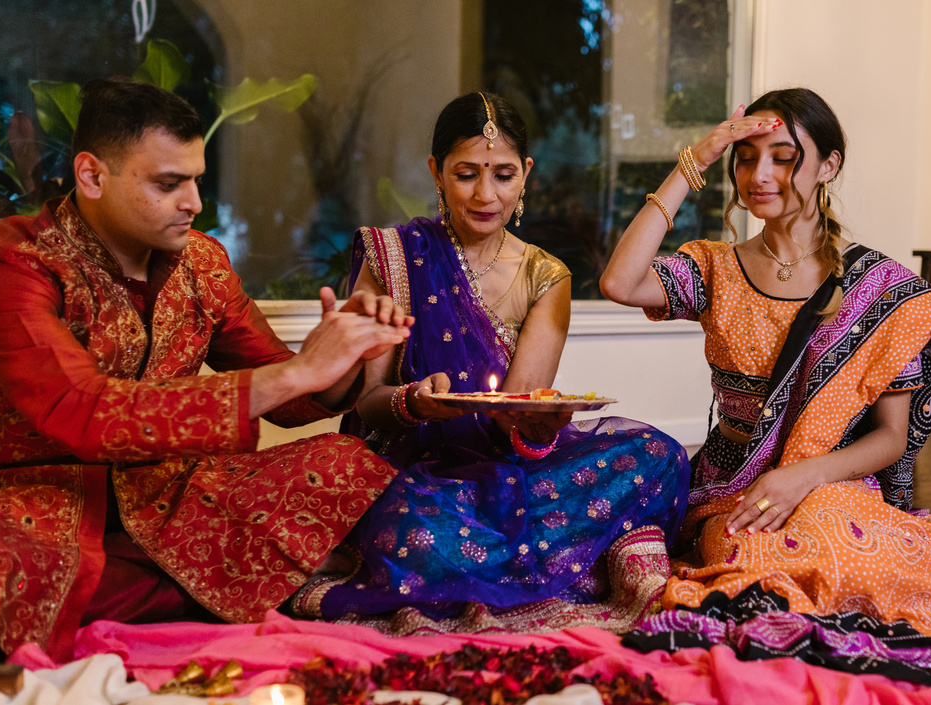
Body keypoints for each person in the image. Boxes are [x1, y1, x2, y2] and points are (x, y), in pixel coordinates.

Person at [0, 77, 413, 661]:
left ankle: (176, 582)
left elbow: (285, 392)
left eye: (197, 179)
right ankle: (247, 580)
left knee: (344, 462)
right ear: (92, 175)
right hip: (27, 497)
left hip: (171, 492)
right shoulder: (10, 265)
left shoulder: (202, 260)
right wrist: (297, 373)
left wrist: (353, 347)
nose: (195, 203)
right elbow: (84, 411)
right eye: (169, 183)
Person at [600, 87, 931, 686]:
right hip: (734, 485)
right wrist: (692, 161)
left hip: (831, 479)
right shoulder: (716, 268)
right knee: (759, 561)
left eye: (783, 157)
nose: (760, 174)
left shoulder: (875, 287)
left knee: (843, 549)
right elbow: (620, 281)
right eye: (746, 158)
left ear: (828, 166)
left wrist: (804, 474)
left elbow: (890, 439)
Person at [287, 92, 691, 634]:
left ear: (525, 174)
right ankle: (532, 562)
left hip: (506, 472)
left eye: (502, 174)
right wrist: (415, 402)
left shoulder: (546, 276)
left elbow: (519, 417)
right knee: (416, 527)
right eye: (466, 174)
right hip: (409, 473)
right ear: (436, 171)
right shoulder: (396, 256)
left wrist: (538, 430)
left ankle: (489, 559)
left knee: (659, 455)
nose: (486, 194)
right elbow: (370, 406)